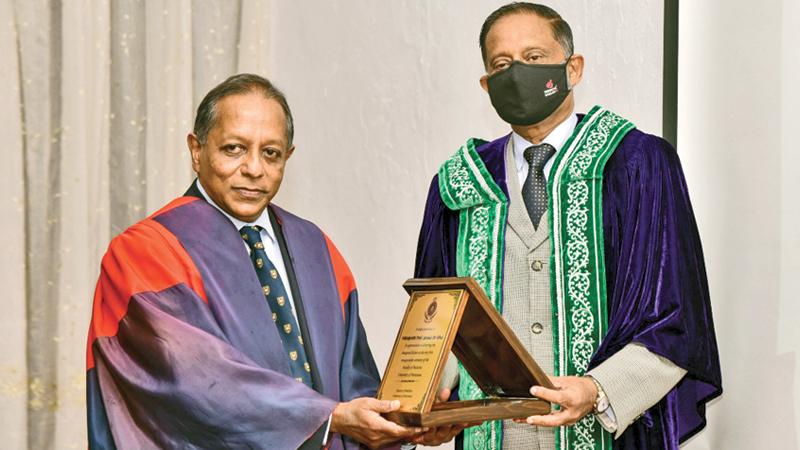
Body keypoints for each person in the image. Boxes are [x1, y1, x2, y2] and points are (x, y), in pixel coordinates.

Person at [86, 73, 462, 449]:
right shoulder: (143, 252)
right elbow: (193, 381)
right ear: (196, 150)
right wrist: (328, 418)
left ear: (288, 156)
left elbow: (354, 382)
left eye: (271, 153)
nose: (254, 169)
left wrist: (402, 424)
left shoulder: (316, 248)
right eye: (233, 149)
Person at [415, 3, 722, 449]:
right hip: (493, 437)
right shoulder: (458, 185)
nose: (517, 72)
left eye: (535, 58)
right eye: (502, 64)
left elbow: (675, 315)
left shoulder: (636, 165)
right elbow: (435, 318)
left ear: (572, 68)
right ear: (486, 84)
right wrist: (432, 397)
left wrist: (598, 389)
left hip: (607, 432)